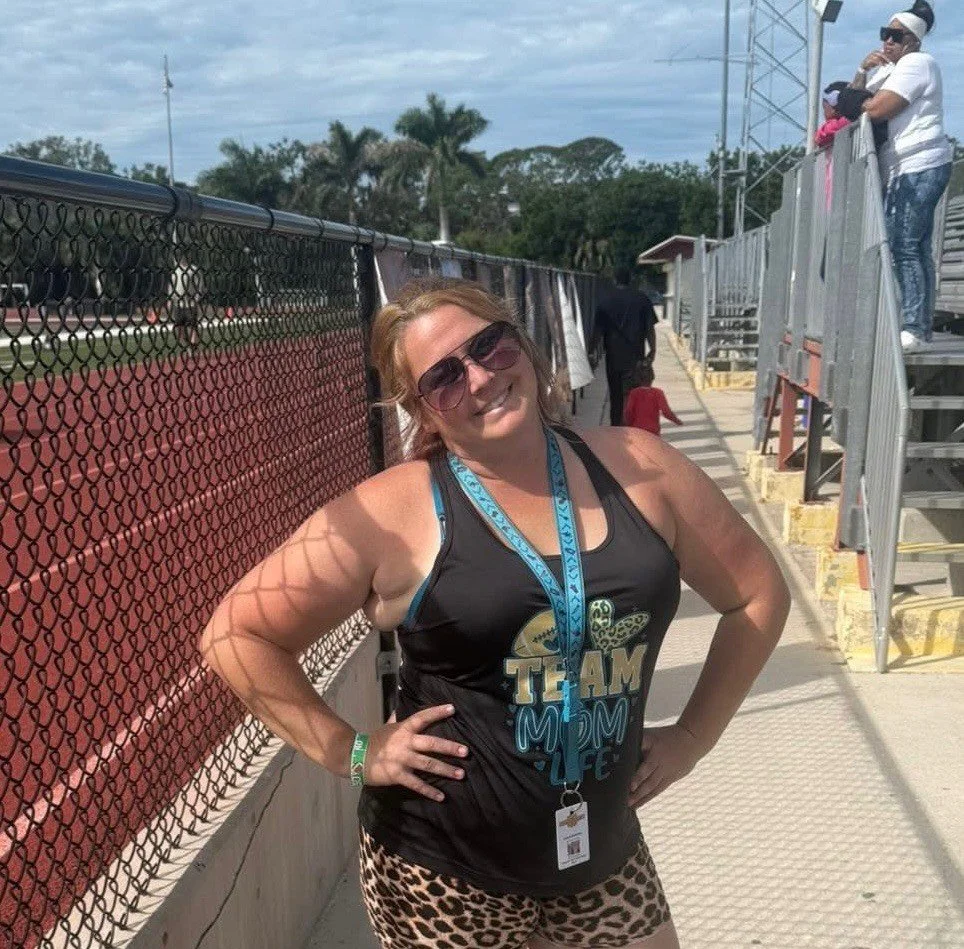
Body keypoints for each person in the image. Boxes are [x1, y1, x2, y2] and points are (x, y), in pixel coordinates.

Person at [199, 277, 790, 949]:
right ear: (423, 412)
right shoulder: (394, 512)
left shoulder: (639, 466)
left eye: (489, 346)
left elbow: (757, 594)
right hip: (443, 871)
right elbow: (236, 634)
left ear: (524, 347)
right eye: (444, 377)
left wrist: (693, 738)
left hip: (602, 852)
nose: (480, 377)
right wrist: (350, 749)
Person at [854, 1, 953, 352]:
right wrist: (862, 73)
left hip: (920, 163)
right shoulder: (890, 70)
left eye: (896, 36)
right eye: (885, 34)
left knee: (906, 246)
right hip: (907, 167)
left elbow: (876, 109)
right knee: (914, 247)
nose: (887, 42)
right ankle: (919, 326)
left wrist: (862, 100)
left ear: (914, 40)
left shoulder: (916, 63)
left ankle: (913, 326)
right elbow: (854, 100)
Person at [594, 266, 657, 427]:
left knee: (615, 397)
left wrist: (591, 351)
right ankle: (633, 428)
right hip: (636, 359)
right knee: (633, 396)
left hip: (613, 359)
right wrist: (653, 351)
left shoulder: (605, 302)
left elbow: (597, 332)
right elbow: (650, 328)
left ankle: (616, 431)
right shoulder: (642, 299)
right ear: (630, 279)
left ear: (615, 280)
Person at [622, 364, 683, 437]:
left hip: (637, 430)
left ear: (638, 379)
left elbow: (628, 411)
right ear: (652, 378)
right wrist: (676, 421)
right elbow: (666, 411)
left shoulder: (634, 393)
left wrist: (629, 424)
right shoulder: (658, 392)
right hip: (653, 430)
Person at [170, 254, 204, 346]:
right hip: (178, 302)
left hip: (191, 302)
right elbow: (172, 285)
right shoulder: (176, 270)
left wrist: (197, 296)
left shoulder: (193, 269)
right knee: (178, 325)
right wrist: (170, 298)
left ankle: (193, 344)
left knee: (192, 325)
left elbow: (199, 284)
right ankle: (186, 342)